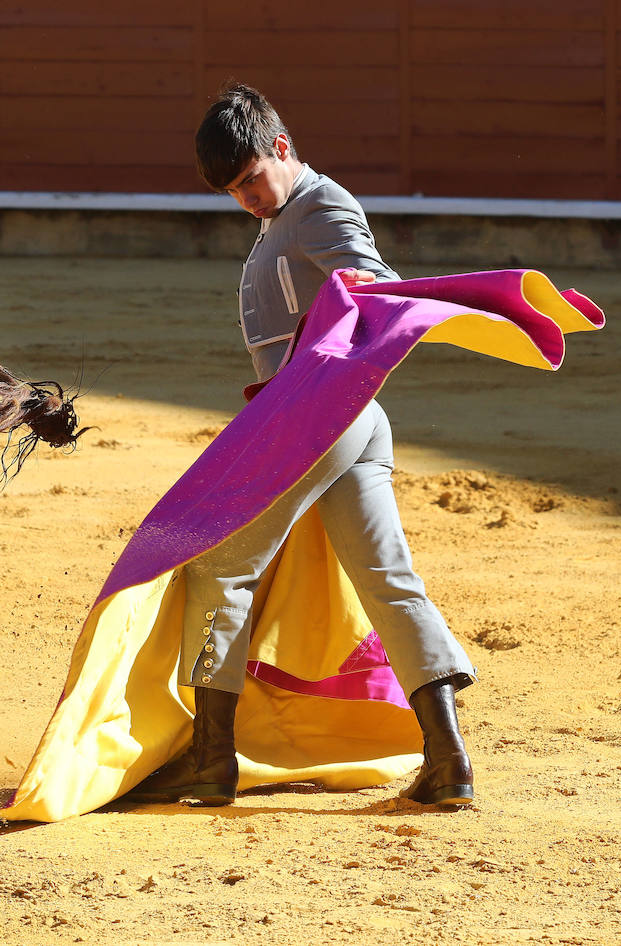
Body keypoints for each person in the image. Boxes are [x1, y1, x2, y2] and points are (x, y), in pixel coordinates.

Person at [127, 84, 477, 808]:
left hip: (312, 422)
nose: (246, 198)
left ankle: (212, 759)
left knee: (216, 571)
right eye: (232, 190)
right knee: (388, 581)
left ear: (282, 148)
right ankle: (448, 761)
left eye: (252, 178)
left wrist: (340, 325)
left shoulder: (319, 204)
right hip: (349, 423)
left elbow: (373, 281)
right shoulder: (284, 215)